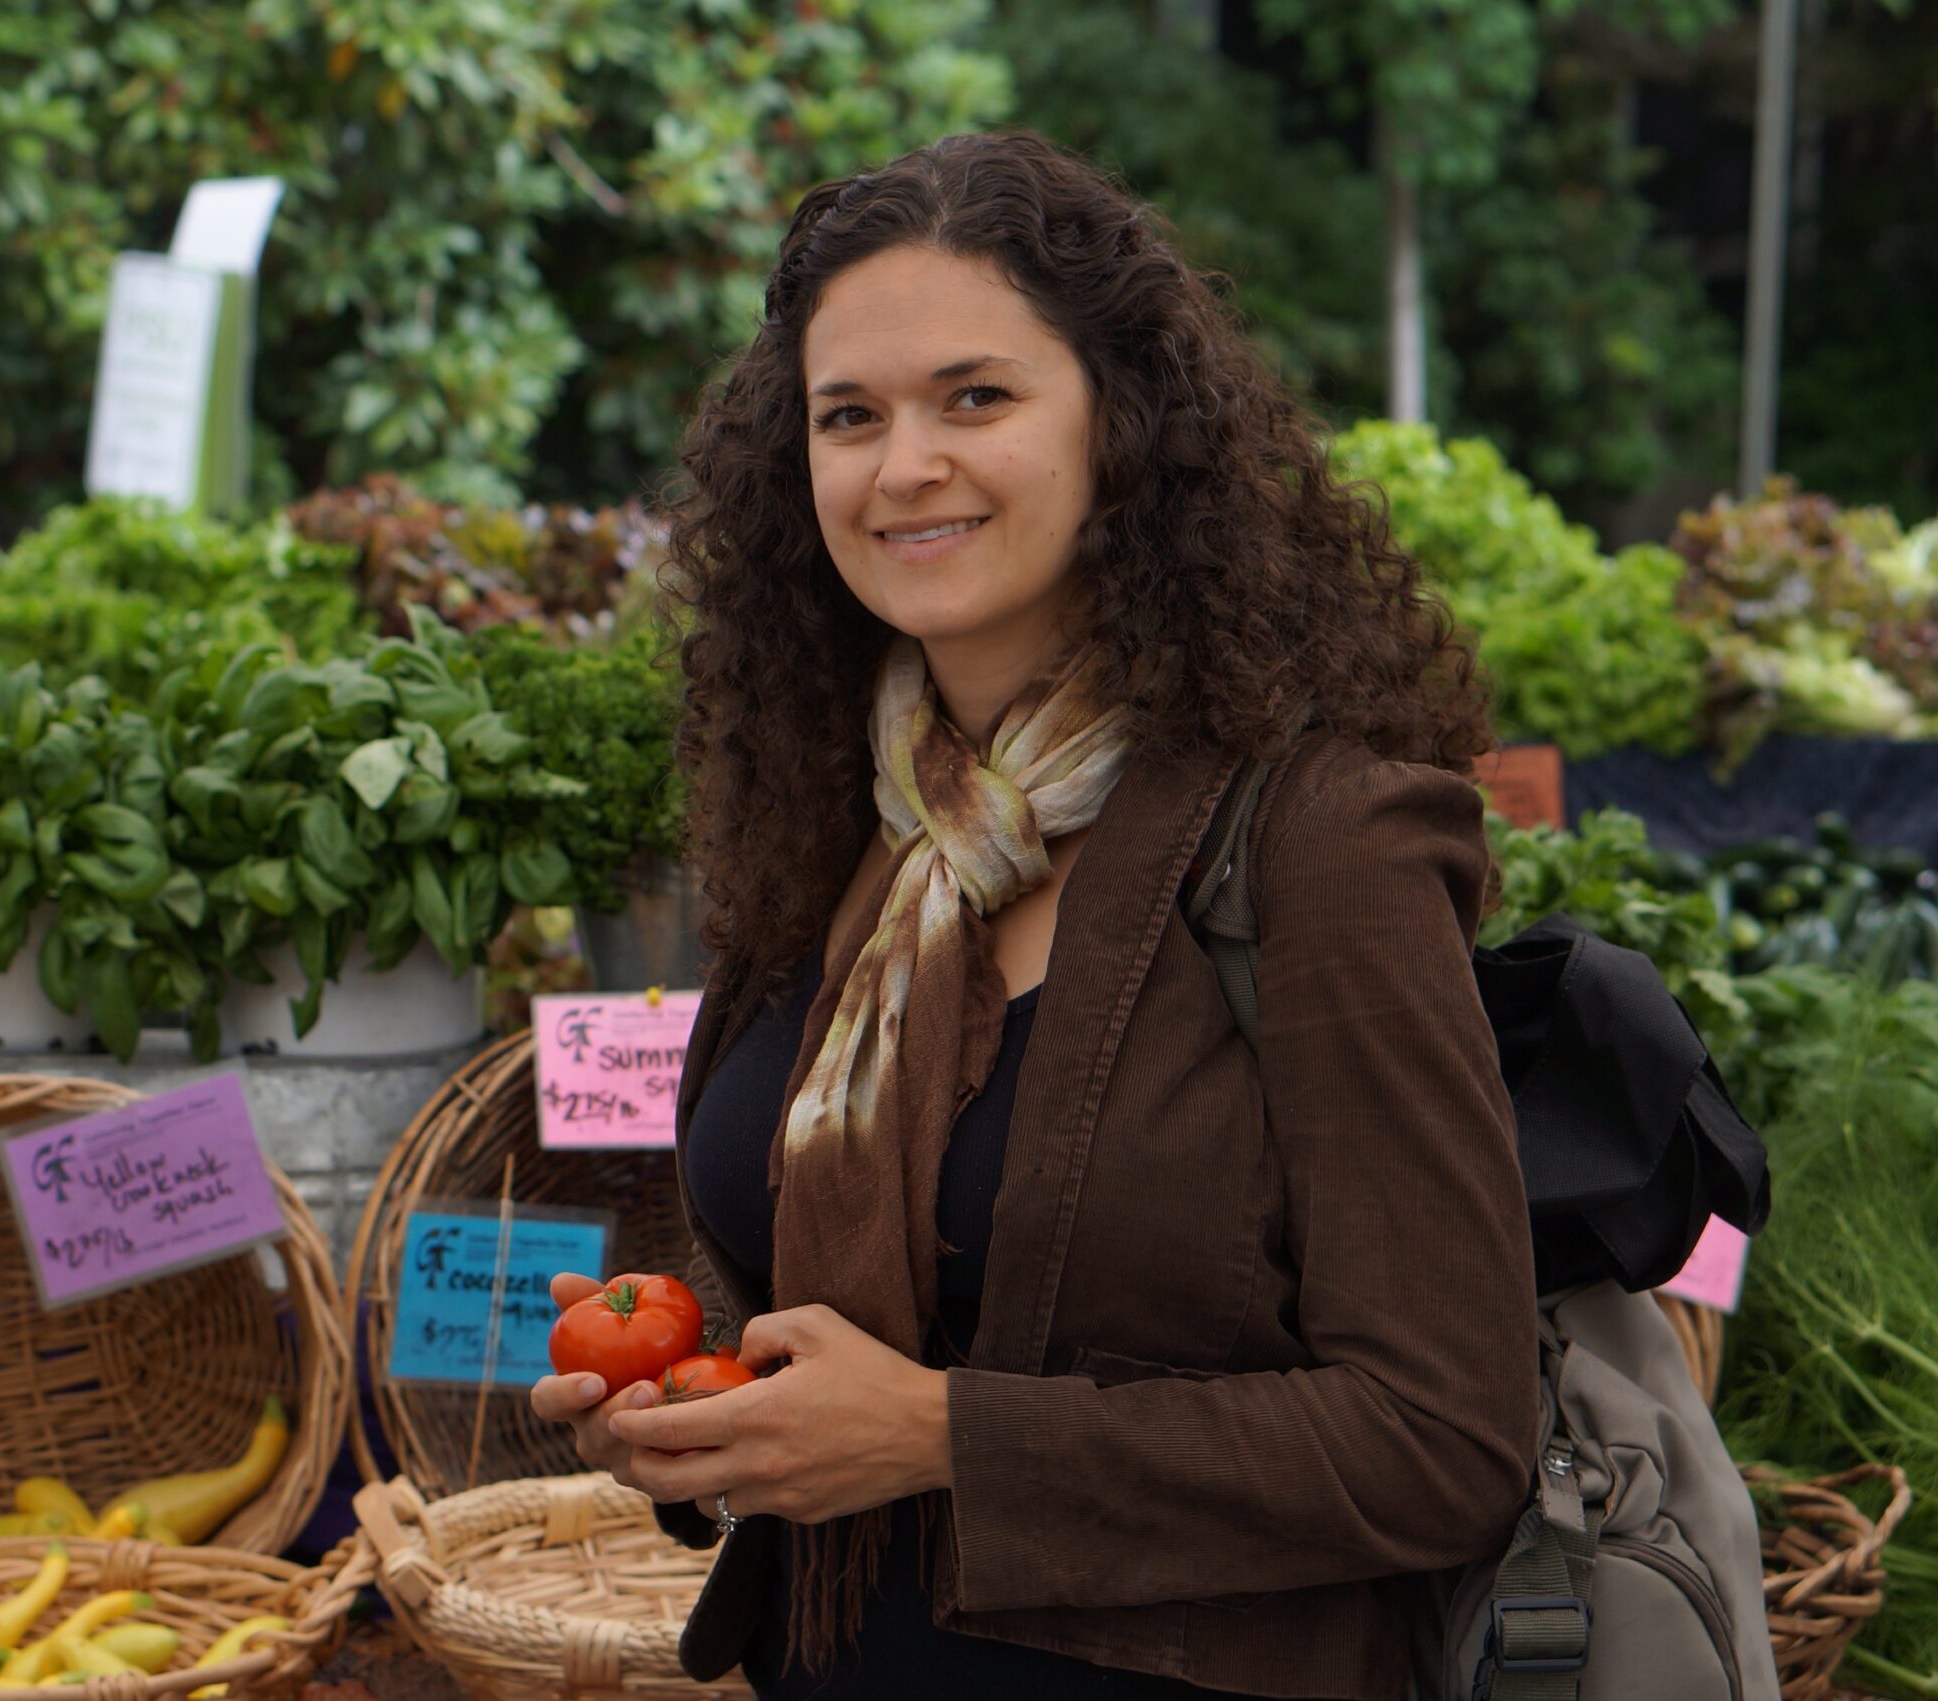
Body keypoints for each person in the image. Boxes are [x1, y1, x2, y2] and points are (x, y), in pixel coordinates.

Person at [529, 129, 1536, 1700]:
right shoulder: (838, 829)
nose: (903, 465)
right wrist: (705, 1427)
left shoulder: (1318, 842)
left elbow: (1445, 1436)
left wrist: (939, 1432)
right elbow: (808, 1323)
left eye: (975, 398)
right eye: (848, 415)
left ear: (1123, 427)